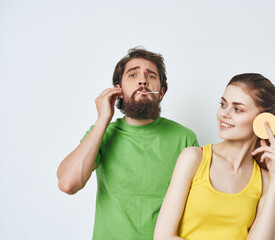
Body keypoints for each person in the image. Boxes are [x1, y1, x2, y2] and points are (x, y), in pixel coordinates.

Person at [57, 47, 199, 239]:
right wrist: (102, 119)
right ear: (119, 90)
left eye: (151, 76)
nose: (143, 80)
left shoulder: (184, 138)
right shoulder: (102, 133)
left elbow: (197, 205)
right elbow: (68, 184)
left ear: (162, 92)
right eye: (133, 75)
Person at [154, 73, 275, 240]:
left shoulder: (265, 182)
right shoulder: (193, 158)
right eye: (223, 104)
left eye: (238, 109)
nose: (224, 114)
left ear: (263, 121)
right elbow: (162, 236)